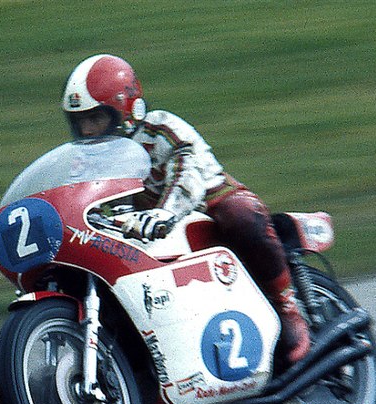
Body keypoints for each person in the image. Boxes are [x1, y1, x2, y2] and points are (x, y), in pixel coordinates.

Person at [61, 54, 310, 365]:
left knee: (239, 216)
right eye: (79, 122)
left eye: (95, 118)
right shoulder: (87, 162)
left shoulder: (161, 129)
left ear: (125, 110)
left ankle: (286, 304)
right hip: (155, 237)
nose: (86, 131)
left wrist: (164, 212)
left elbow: (186, 174)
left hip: (206, 209)